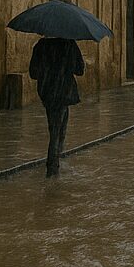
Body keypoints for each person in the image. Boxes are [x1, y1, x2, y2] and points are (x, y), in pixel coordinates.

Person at [28, 36, 84, 177]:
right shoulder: (69, 44)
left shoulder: (41, 45)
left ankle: (56, 163)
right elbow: (79, 70)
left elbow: (33, 73)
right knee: (57, 132)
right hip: (63, 92)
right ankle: (52, 169)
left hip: (47, 92)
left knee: (55, 128)